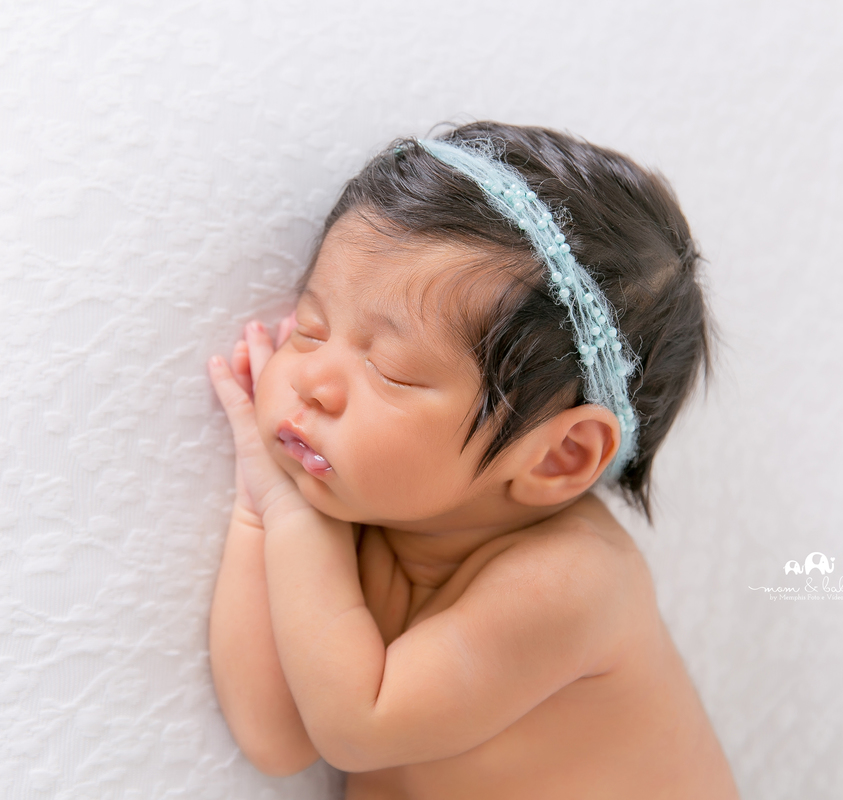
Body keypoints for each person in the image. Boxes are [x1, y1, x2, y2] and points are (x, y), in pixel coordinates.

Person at [207, 121, 740, 799]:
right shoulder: (390, 515)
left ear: (559, 455)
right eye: (311, 330)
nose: (314, 380)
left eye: (394, 371)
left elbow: (356, 728)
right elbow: (278, 735)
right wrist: (264, 507)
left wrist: (287, 511)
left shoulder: (573, 585)